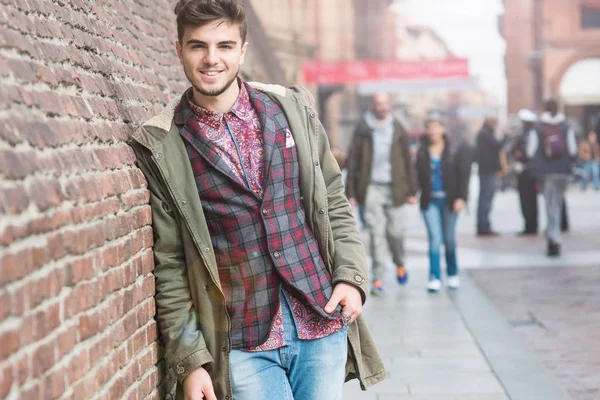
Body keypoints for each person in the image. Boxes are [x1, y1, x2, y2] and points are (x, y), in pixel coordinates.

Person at [129, 1, 386, 399]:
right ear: (178, 50)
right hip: (242, 342)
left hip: (319, 318)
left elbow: (333, 201)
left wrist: (351, 277)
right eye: (198, 46)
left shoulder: (291, 108)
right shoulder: (164, 144)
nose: (211, 59)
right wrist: (191, 359)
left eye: (225, 46)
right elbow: (171, 263)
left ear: (243, 50)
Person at [346, 93, 418, 295]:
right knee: (376, 236)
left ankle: (400, 262)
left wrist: (412, 190)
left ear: (390, 105)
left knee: (395, 233)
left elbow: (407, 161)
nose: (383, 108)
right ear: (373, 106)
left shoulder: (399, 128)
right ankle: (378, 279)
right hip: (371, 188)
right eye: (379, 104)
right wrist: (350, 192)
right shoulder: (362, 130)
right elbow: (353, 161)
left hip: (396, 188)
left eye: (386, 104)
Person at [416, 115, 471, 292]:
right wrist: (411, 193)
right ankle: (434, 277)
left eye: (436, 126)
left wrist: (461, 198)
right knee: (434, 239)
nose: (433, 131)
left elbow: (464, 176)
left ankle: (453, 273)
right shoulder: (422, 151)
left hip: (450, 201)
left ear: (443, 129)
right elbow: (415, 176)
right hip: (429, 201)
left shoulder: (453, 150)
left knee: (448, 239)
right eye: (429, 127)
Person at [527, 99, 578, 257]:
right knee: (558, 203)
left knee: (550, 205)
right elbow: (572, 149)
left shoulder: (538, 128)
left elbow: (530, 151)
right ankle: (555, 236)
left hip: (546, 171)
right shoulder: (566, 126)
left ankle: (553, 240)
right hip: (562, 171)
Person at [475, 116, 505, 236]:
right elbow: (498, 145)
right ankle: (483, 226)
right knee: (486, 199)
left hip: (487, 170)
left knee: (486, 198)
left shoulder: (485, 133)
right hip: (487, 171)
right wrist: (506, 136)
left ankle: (484, 225)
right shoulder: (485, 133)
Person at [510, 109, 539, 235]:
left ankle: (529, 227)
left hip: (524, 171)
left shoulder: (523, 136)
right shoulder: (537, 133)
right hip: (534, 171)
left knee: (526, 200)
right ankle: (533, 225)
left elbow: (514, 151)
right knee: (533, 200)